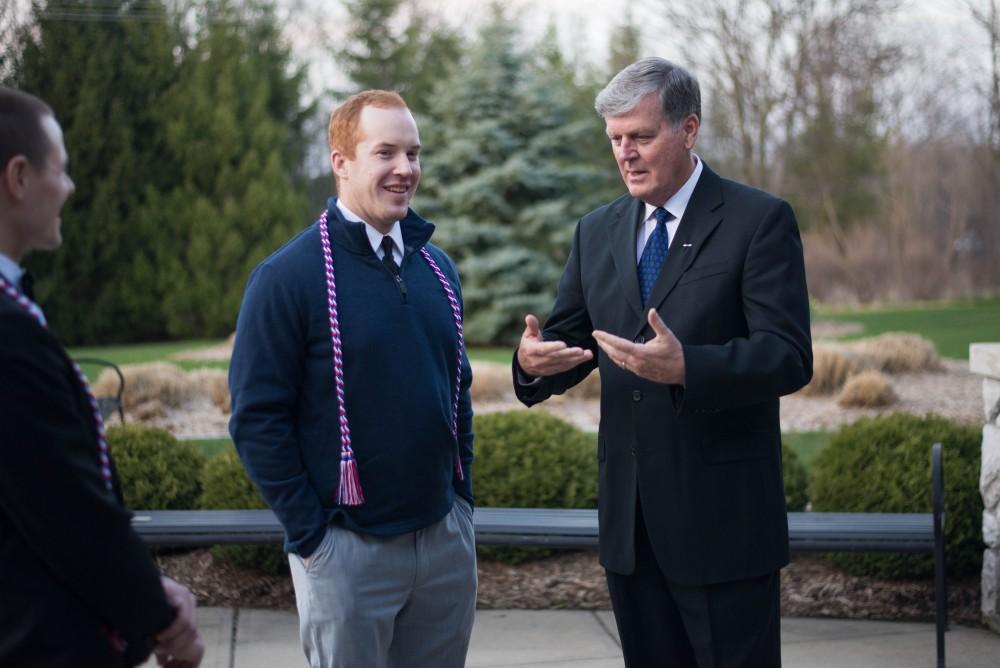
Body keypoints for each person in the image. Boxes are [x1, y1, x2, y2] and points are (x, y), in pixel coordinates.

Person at [514, 58, 812, 667]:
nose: (626, 153)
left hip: (724, 528)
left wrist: (688, 368)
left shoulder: (758, 221)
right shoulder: (595, 231)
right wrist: (534, 363)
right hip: (631, 530)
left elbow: (788, 357)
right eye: (616, 140)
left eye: (641, 136)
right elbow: (576, 339)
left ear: (689, 129)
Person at [229, 89, 476, 668]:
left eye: (413, 153)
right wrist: (314, 540)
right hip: (347, 554)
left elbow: (456, 390)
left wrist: (462, 506)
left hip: (443, 544)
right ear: (340, 162)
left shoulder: (438, 269)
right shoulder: (286, 278)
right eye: (385, 152)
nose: (405, 169)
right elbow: (256, 419)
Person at [0, 86, 204, 667]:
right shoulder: (7, 332)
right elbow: (64, 506)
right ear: (18, 177)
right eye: (59, 171)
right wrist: (160, 616)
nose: (67, 188)